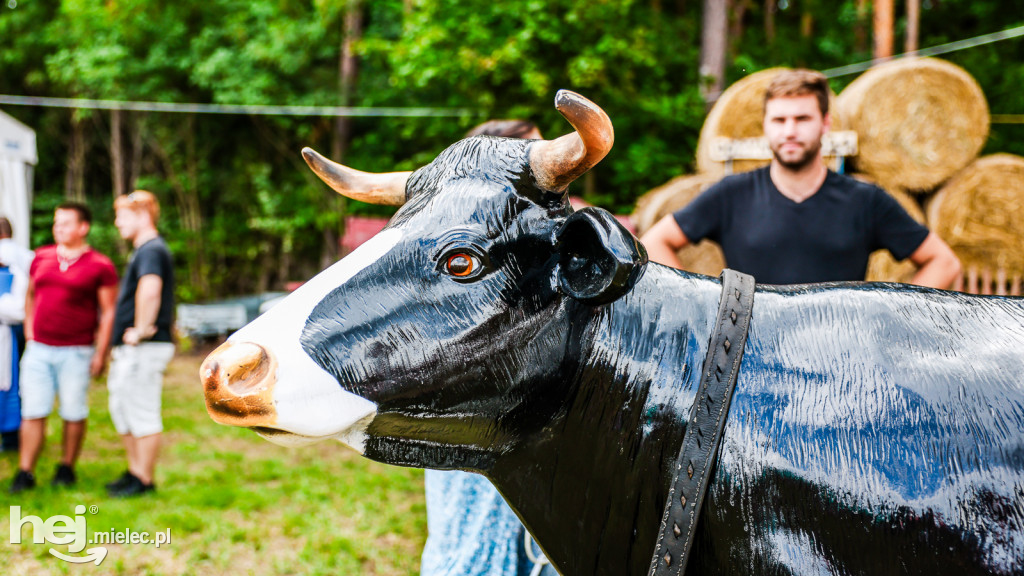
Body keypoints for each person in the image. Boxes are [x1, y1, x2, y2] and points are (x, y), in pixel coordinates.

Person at [641, 69, 961, 289]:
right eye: (779, 119)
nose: (790, 130)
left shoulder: (866, 201)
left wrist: (892, 320)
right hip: (750, 359)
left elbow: (944, 263)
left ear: (825, 124)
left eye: (802, 118)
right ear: (766, 126)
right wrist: (701, 307)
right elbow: (655, 241)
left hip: (838, 363)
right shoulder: (731, 194)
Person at [420, 120, 558, 576]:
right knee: (470, 542)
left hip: (549, 416)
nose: (545, 164)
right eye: (532, 154)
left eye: (543, 153)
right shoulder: (453, 244)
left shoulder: (559, 235)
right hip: (474, 407)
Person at [10, 202, 118, 493]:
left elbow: (108, 311)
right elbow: (30, 296)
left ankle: (66, 467)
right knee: (33, 410)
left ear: (83, 228)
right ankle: (25, 472)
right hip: (39, 349)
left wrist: (101, 352)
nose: (58, 227)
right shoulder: (41, 257)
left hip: (77, 350)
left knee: (73, 410)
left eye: (66, 223)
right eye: (56, 222)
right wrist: (30, 331)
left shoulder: (100, 265)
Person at [105, 191, 175, 497]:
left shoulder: (151, 249)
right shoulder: (144, 249)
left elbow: (149, 291)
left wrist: (141, 330)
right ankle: (135, 471)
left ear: (143, 213)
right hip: (134, 349)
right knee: (123, 408)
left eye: (122, 215)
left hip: (145, 346)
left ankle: (144, 481)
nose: (117, 223)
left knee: (142, 410)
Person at [0, 216, 33, 452]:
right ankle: (13, 434)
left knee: (9, 380)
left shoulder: (8, 260)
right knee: (18, 379)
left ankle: (11, 435)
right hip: (24, 324)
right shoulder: (28, 255)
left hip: (9, 324)